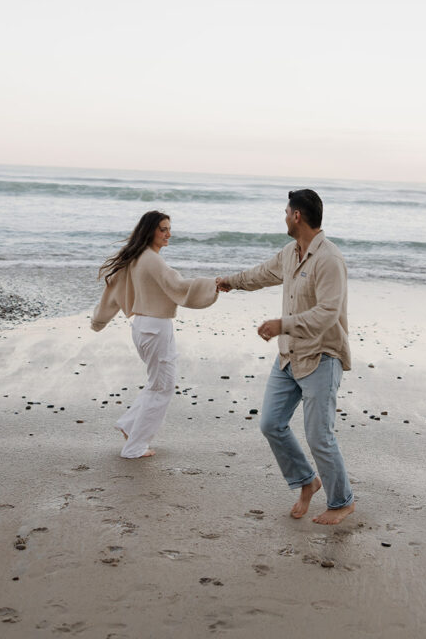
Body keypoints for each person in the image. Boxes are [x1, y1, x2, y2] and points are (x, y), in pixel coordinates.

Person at [216, 188, 355, 525]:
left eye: (285, 212)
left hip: (321, 356)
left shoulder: (329, 259)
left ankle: (342, 502)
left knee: (319, 437)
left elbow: (327, 313)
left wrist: (283, 324)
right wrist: (230, 282)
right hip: (289, 357)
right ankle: (307, 481)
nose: (284, 218)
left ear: (297, 216)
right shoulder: (290, 253)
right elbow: (261, 274)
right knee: (271, 424)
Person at [92, 210, 218, 458]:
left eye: (169, 229)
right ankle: (135, 447)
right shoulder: (151, 259)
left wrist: (98, 321)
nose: (168, 234)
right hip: (155, 327)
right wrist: (214, 284)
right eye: (163, 229)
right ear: (150, 231)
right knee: (163, 387)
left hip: (143, 326)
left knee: (157, 384)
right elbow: (178, 285)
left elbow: (113, 291)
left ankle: (130, 426)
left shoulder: (136, 257)